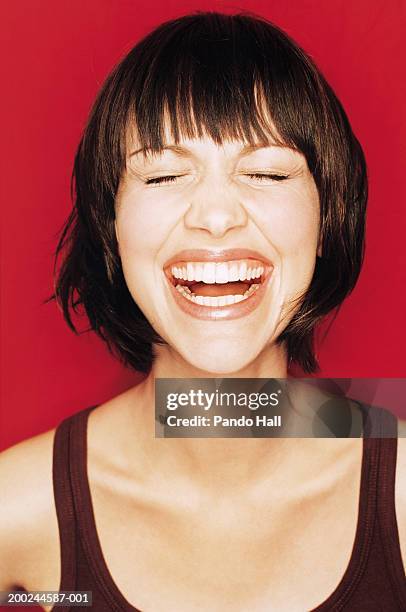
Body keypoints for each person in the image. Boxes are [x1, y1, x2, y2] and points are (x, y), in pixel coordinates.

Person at [1, 12, 405, 611]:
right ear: (110, 227)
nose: (216, 217)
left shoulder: (400, 491)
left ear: (327, 221)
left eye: (266, 171)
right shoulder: (17, 507)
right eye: (163, 174)